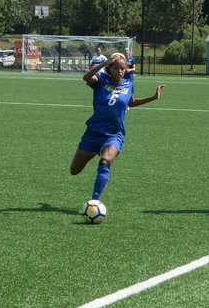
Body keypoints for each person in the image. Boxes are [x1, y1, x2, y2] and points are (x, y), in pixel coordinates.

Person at [71, 53, 166, 204]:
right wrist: (104, 63)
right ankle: (93, 152)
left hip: (114, 134)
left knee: (104, 163)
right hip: (93, 132)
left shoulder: (128, 84)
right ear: (110, 68)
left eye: (123, 68)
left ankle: (94, 202)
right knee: (74, 170)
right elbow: (86, 77)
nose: (120, 71)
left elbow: (131, 102)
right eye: (116, 68)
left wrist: (153, 97)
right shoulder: (101, 80)